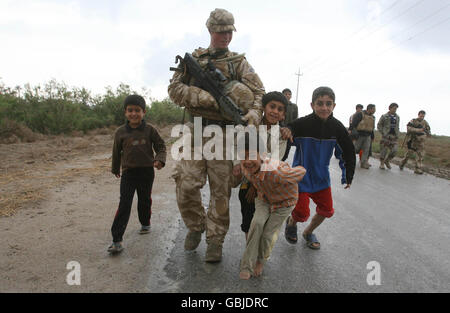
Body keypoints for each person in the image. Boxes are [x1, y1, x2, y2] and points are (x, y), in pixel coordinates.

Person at [168, 8, 265, 262]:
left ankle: (215, 241)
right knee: (186, 184)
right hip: (195, 130)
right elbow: (175, 89)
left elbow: (259, 95)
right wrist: (204, 97)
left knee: (221, 192)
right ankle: (196, 226)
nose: (225, 37)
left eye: (229, 32)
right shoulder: (195, 59)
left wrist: (253, 116)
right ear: (210, 30)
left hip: (223, 135)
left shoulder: (239, 63)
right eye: (221, 32)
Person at [281, 86, 355, 250]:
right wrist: (287, 130)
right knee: (301, 213)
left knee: (327, 210)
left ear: (334, 106)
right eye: (320, 103)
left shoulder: (337, 128)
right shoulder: (303, 123)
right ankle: (292, 222)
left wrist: (348, 176)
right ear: (312, 105)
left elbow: (348, 152)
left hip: (322, 178)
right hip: (301, 177)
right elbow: (288, 130)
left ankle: (308, 232)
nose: (324, 107)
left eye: (328, 104)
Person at [236, 133, 306, 279]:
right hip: (264, 198)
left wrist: (291, 176)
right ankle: (246, 265)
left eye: (252, 156)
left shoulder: (275, 170)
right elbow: (251, 178)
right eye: (243, 156)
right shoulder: (245, 167)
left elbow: (301, 171)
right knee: (256, 224)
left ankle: (261, 261)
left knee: (268, 234)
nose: (247, 161)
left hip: (284, 203)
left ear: (262, 155)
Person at [108, 95, 166, 254]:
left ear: (144, 112)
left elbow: (161, 146)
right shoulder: (120, 132)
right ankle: (116, 240)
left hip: (146, 171)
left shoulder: (150, 130)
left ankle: (145, 223)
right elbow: (116, 152)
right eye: (130, 110)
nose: (134, 114)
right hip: (128, 173)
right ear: (125, 112)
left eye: (137, 110)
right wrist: (115, 169)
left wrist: (159, 160)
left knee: (144, 199)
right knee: (124, 203)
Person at [236, 91, 287, 240]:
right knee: (248, 219)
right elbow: (241, 151)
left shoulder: (282, 135)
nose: (275, 111)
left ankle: (259, 255)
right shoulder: (251, 127)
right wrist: (250, 182)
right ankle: (249, 249)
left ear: (283, 115)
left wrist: (256, 186)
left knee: (264, 223)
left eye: (280, 109)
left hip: (269, 183)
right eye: (272, 106)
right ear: (264, 108)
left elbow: (274, 161)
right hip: (247, 180)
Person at [349, 104, 376, 169]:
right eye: (374, 109)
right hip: (359, 135)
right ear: (369, 109)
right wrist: (350, 130)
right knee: (355, 148)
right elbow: (354, 123)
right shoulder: (360, 114)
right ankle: (348, 160)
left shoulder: (373, 117)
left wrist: (372, 136)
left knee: (366, 149)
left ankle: (363, 163)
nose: (374, 111)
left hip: (368, 135)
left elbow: (372, 127)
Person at [377, 103, 400, 170]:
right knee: (383, 150)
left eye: (396, 109)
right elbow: (379, 125)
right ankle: (382, 163)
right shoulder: (384, 116)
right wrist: (383, 133)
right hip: (386, 136)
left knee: (395, 150)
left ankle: (387, 160)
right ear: (389, 108)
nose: (395, 110)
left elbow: (397, 127)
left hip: (394, 137)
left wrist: (397, 134)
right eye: (394, 108)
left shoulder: (397, 117)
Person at [281, 88, 299, 161]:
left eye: (289, 94)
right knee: (277, 151)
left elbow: (295, 118)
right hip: (280, 130)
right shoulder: (280, 105)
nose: (288, 96)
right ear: (282, 95)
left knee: (286, 153)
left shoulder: (294, 106)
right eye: (286, 94)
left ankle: (281, 164)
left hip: (290, 131)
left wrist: (293, 129)